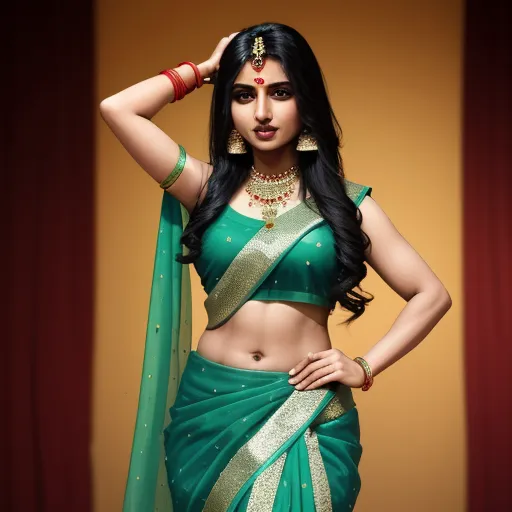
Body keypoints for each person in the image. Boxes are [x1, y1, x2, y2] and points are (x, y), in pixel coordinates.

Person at [100, 22, 452, 512]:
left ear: (305, 99)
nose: (261, 112)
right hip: (212, 411)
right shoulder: (204, 188)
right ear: (226, 105)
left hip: (304, 410)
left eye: (280, 93)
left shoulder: (345, 205)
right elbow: (117, 109)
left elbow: (431, 294)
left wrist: (366, 366)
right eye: (243, 95)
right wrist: (203, 71)